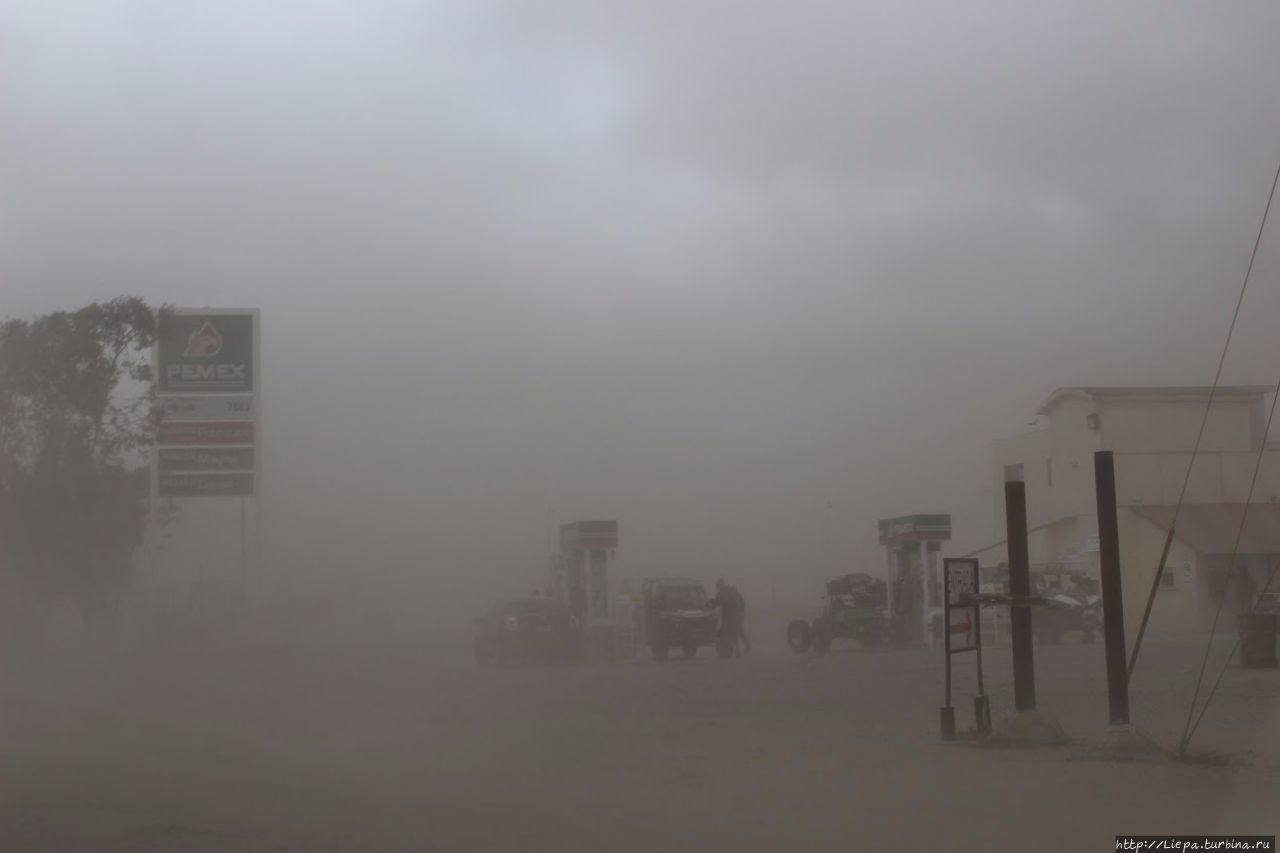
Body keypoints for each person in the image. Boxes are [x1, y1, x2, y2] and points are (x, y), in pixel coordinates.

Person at [710, 579, 749, 656]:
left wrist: (710, 604)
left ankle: (736, 650)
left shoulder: (721, 592)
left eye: (717, 586)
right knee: (738, 631)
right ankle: (746, 647)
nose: (717, 588)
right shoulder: (733, 591)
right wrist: (741, 611)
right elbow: (743, 602)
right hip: (737, 615)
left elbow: (716, 603)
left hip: (728, 617)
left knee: (729, 633)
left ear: (720, 585)